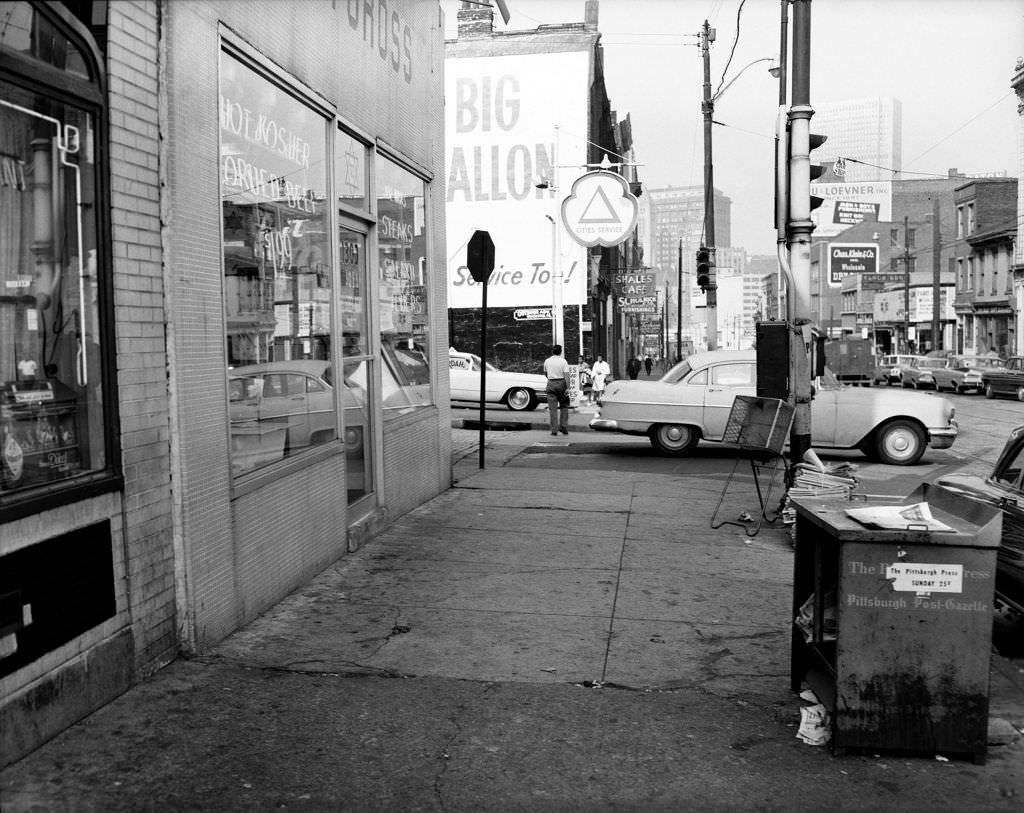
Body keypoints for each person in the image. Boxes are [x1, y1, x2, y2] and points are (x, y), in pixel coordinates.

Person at [542, 344, 570, 436]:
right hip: (562, 383)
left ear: (552, 351)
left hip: (551, 383)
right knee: (564, 406)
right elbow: (566, 375)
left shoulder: (547, 361)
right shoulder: (563, 361)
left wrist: (551, 379)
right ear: (560, 352)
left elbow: (545, 373)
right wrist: (568, 387)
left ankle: (554, 430)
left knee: (552, 408)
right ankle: (564, 427)